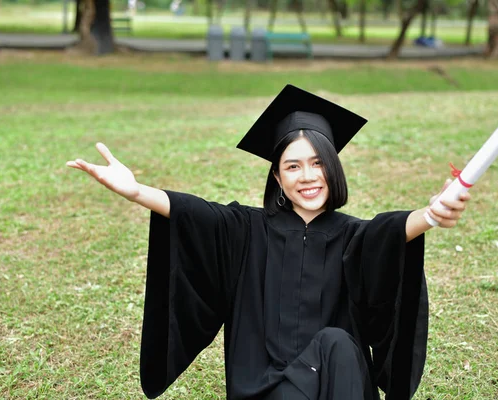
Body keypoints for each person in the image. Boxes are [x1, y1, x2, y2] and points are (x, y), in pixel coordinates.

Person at [66, 85, 470, 400]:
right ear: (277, 177)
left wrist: (432, 214)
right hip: (264, 389)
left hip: (337, 388)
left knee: (337, 344)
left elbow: (392, 232)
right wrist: (136, 191)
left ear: (333, 168)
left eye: (317, 163)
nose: (307, 176)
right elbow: (193, 212)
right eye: (292, 166)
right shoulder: (246, 230)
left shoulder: (354, 237)